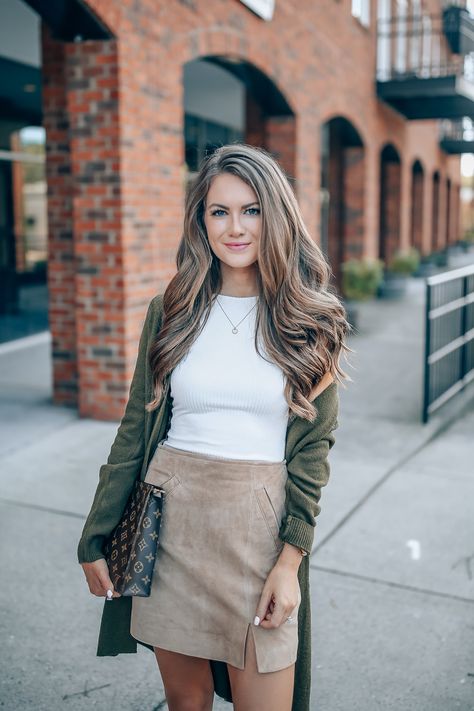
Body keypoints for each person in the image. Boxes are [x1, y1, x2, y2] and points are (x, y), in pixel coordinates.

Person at [78, 143, 352, 711]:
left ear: (275, 214)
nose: (235, 227)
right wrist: (94, 536)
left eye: (251, 210)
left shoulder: (311, 320)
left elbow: (312, 451)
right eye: (218, 211)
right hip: (170, 525)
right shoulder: (172, 309)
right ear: (200, 220)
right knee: (187, 701)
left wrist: (290, 561)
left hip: (257, 531)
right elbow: (135, 430)